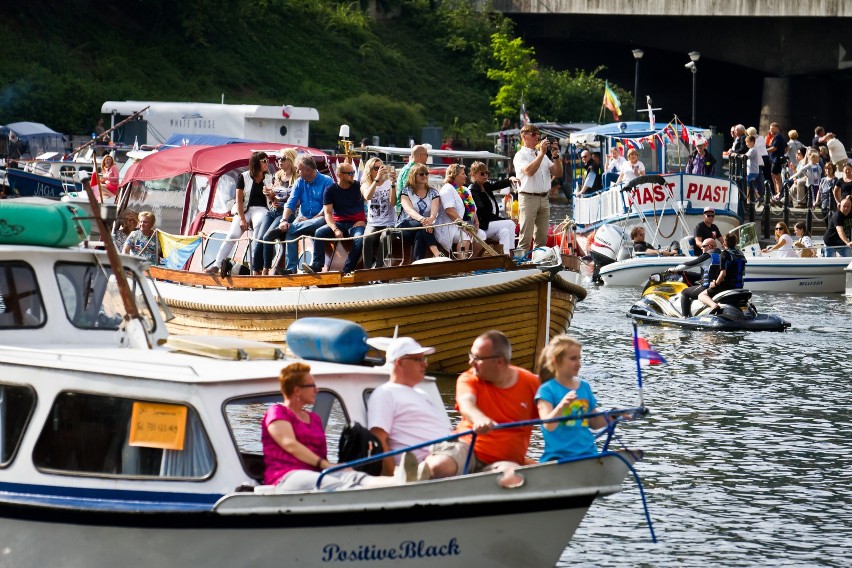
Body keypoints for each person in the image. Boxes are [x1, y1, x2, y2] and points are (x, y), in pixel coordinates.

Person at [262, 362, 402, 490]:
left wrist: (335, 468)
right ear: (297, 390)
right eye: (312, 386)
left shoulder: (314, 419)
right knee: (341, 485)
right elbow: (290, 444)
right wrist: (326, 465)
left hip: (318, 473)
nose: (316, 390)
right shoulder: (277, 412)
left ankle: (401, 481)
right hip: (286, 477)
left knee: (354, 476)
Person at [367, 337, 458, 481]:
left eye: (424, 359)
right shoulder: (385, 393)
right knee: (443, 464)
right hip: (437, 460)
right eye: (418, 359)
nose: (425, 364)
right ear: (400, 363)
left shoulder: (422, 393)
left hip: (451, 449)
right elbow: (379, 439)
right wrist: (393, 479)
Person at [453, 330, 539, 474]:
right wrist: (479, 418)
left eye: (477, 358)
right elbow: (466, 403)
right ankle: (416, 475)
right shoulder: (468, 378)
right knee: (441, 466)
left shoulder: (532, 383)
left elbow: (552, 414)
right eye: (471, 356)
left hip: (504, 461)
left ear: (499, 361)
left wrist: (581, 409)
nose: (470, 362)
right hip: (468, 448)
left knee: (511, 475)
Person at [535, 335, 607, 460]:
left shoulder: (584, 387)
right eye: (573, 359)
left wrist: (615, 416)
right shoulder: (546, 390)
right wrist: (563, 405)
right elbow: (548, 425)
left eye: (579, 358)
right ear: (556, 361)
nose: (578, 363)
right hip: (558, 457)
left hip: (588, 454)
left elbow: (594, 422)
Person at [207, 151, 272, 274]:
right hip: (244, 208)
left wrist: (271, 194)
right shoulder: (243, 177)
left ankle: (255, 267)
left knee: (258, 228)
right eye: (264, 161)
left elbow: (272, 199)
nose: (266, 163)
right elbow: (239, 200)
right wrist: (242, 219)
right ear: (256, 163)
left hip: (261, 208)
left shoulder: (269, 178)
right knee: (232, 235)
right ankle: (217, 265)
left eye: (267, 161)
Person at [303, 162, 366, 274]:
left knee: (360, 239)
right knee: (319, 233)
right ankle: (317, 266)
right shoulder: (330, 190)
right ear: (339, 174)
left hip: (356, 223)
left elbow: (371, 202)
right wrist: (335, 229)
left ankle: (348, 269)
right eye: (350, 173)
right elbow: (327, 213)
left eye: (353, 173)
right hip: (339, 223)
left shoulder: (359, 186)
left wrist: (364, 221)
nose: (353, 175)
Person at [277, 155, 334, 274]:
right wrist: (284, 220)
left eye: (299, 169)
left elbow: (327, 208)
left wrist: (311, 219)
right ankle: (291, 269)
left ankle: (290, 227)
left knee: (292, 229)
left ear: (308, 170)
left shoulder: (327, 181)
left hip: (320, 218)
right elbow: (290, 203)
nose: (296, 172)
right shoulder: (299, 182)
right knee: (291, 232)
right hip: (302, 218)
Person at [512, 124, 562, 253]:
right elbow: (529, 171)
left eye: (538, 134)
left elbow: (558, 173)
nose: (537, 137)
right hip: (528, 198)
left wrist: (555, 156)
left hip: (544, 198)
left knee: (541, 238)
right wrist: (541, 154)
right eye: (533, 134)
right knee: (525, 237)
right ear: (524, 137)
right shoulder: (520, 155)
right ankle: (520, 266)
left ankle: (539, 265)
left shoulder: (543, 155)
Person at [253, 148, 298, 275]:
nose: (279, 161)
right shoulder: (277, 176)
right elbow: (273, 199)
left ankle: (266, 270)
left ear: (290, 160)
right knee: (260, 238)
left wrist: (284, 197)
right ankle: (256, 270)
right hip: (274, 210)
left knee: (268, 236)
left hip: (287, 212)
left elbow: (297, 200)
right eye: (278, 159)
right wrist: (269, 194)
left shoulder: (297, 179)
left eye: (282, 159)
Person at [435, 163, 486, 258]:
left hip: (464, 225)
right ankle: (462, 265)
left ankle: (471, 261)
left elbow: (472, 208)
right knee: (465, 236)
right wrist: (464, 225)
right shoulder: (447, 189)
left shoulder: (465, 190)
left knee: (481, 235)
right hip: (450, 227)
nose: (466, 176)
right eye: (463, 174)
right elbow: (449, 210)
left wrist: (476, 221)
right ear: (454, 175)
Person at [468, 161, 517, 255]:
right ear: (473, 174)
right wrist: (503, 220)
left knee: (505, 231)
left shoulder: (485, 186)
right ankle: (511, 255)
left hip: (490, 224)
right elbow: (484, 213)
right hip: (482, 225)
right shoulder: (473, 190)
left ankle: (504, 256)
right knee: (510, 223)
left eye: (487, 173)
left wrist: (510, 179)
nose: (485, 175)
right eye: (482, 173)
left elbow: (497, 184)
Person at [396, 164, 441, 261]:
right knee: (422, 227)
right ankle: (436, 253)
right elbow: (409, 210)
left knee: (420, 234)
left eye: (426, 173)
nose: (425, 176)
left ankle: (416, 265)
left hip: (424, 227)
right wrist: (423, 220)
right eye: (421, 174)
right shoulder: (406, 191)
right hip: (405, 226)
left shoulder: (433, 193)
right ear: (414, 176)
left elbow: (434, 212)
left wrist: (430, 220)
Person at [360, 157, 397, 268]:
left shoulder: (388, 183)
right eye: (376, 168)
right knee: (367, 238)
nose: (380, 170)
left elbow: (393, 203)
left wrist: (393, 185)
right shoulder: (365, 184)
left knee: (385, 237)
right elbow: (367, 196)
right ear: (369, 170)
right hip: (373, 223)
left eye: (382, 167)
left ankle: (378, 268)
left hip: (389, 222)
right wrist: (376, 180)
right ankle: (366, 270)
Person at [697, 232, 747, 315]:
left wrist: (715, 283)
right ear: (735, 243)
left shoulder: (724, 254)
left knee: (701, 295)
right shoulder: (741, 253)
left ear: (724, 243)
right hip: (739, 286)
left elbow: (723, 273)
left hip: (727, 287)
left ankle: (713, 305)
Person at [677, 238, 719, 317]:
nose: (701, 248)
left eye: (703, 246)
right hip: (719, 285)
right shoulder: (722, 254)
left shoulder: (707, 256)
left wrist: (673, 269)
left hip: (707, 287)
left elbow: (688, 264)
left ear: (710, 246)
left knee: (685, 292)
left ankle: (684, 317)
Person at [396, 145, 429, 214]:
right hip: (407, 210)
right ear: (421, 156)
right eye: (427, 155)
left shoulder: (408, 168)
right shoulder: (411, 170)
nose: (427, 157)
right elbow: (408, 192)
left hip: (407, 208)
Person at [766, 122, 787, 200]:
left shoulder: (777, 136)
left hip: (776, 160)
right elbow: (787, 147)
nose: (770, 130)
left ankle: (778, 194)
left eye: (772, 129)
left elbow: (774, 148)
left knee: (775, 177)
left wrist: (764, 151)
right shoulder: (780, 136)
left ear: (776, 128)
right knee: (777, 177)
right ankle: (779, 194)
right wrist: (783, 153)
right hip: (776, 159)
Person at [744, 135, 763, 202]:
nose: (746, 144)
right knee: (751, 184)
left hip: (752, 171)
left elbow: (746, 156)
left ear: (752, 142)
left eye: (747, 142)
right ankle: (757, 197)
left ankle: (748, 200)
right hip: (753, 170)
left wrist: (738, 155)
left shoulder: (752, 150)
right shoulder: (751, 150)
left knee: (748, 185)